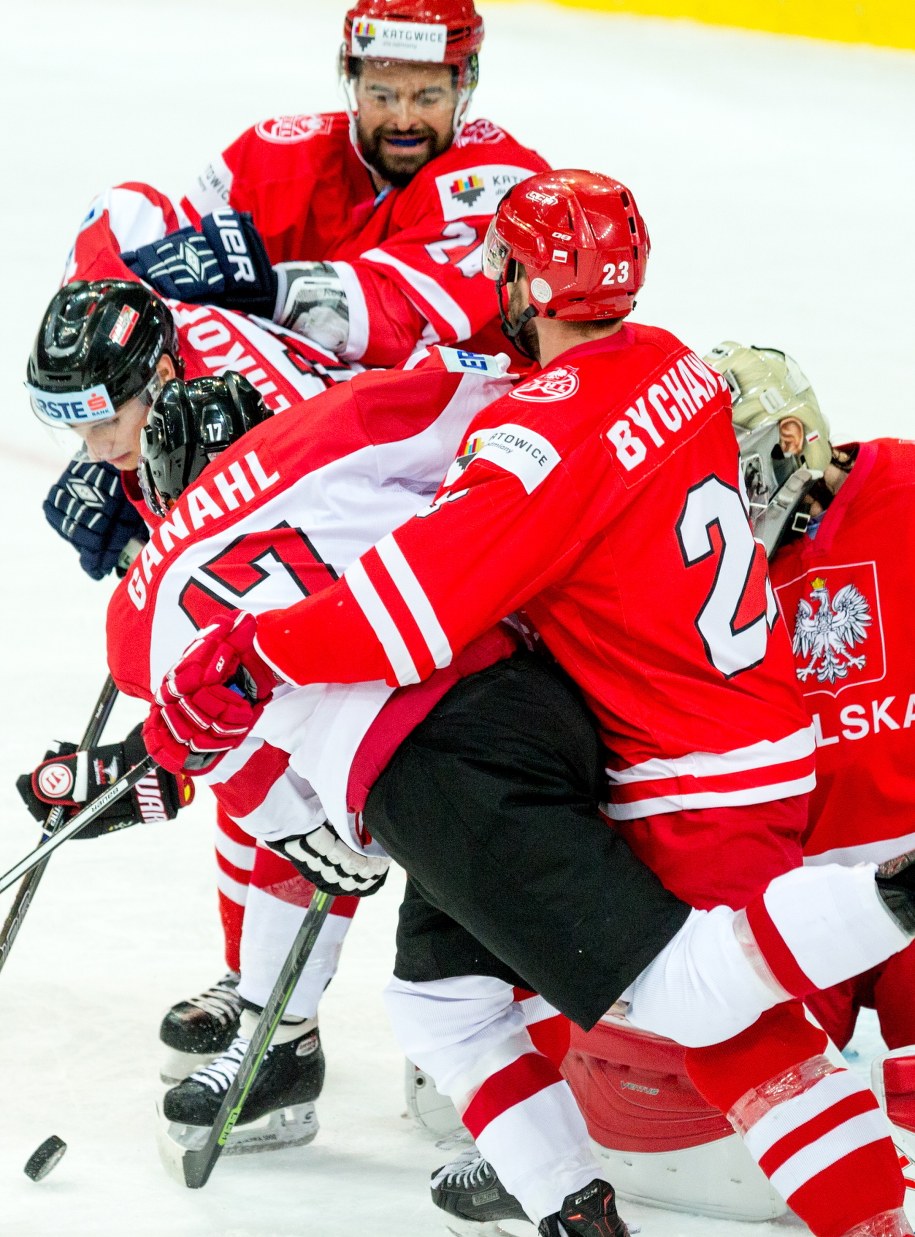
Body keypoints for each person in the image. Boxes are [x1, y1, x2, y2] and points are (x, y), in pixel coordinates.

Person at [134, 170, 915, 1237]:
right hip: (755, 726)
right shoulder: (677, 363)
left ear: (527, 277)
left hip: (676, 769)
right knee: (506, 997)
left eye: (503, 263)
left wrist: (259, 647)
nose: (491, 279)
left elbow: (407, 611)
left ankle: (889, 920)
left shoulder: (537, 440)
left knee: (717, 1020)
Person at [22, 279, 366, 1121]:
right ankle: (256, 989)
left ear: (166, 374)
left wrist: (153, 765)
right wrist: (143, 518)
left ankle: (283, 1030)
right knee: (240, 765)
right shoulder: (164, 376)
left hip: (358, 575)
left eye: (107, 421)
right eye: (78, 425)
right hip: (279, 550)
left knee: (292, 774)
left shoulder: (264, 426)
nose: (97, 446)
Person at [66, 0, 550, 369]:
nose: (404, 120)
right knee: (126, 212)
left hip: (455, 430)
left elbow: (399, 316)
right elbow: (168, 273)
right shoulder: (273, 155)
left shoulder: (501, 182)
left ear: (463, 88)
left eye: (428, 97)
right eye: (382, 94)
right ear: (352, 81)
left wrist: (270, 289)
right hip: (310, 415)